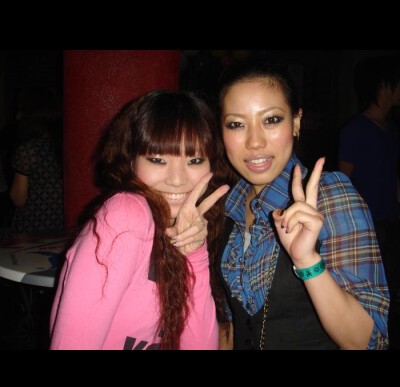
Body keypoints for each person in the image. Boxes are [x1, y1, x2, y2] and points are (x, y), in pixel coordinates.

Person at [217, 59, 389, 350]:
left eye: (271, 120)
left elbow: (367, 341)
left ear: (296, 122)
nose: (255, 142)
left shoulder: (330, 194)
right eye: (236, 124)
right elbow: (229, 324)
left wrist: (308, 261)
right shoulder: (225, 207)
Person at [49, 89, 230, 350]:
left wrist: (194, 254)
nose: (177, 180)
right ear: (131, 161)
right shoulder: (125, 215)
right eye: (157, 159)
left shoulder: (187, 225)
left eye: (194, 160)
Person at [338, 55, 400, 349]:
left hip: (392, 221)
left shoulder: (393, 128)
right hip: (367, 229)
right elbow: (343, 183)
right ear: (384, 86)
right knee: (368, 297)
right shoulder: (355, 130)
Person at [8, 88, 63, 236]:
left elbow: (18, 198)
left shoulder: (28, 150)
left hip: (33, 225)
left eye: (21, 110)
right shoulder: (63, 145)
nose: (17, 116)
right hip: (61, 222)